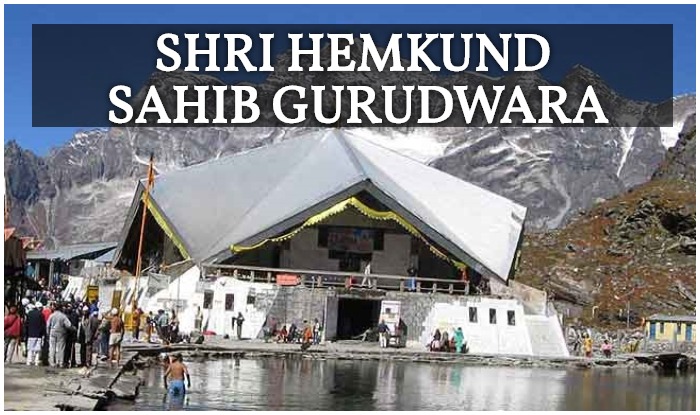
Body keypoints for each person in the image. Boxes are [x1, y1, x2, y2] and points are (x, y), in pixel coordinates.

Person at [46, 303, 74, 368]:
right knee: (61, 348)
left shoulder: (51, 315)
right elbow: (68, 325)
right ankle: (60, 362)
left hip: (52, 332)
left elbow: (48, 325)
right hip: (61, 333)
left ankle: (52, 362)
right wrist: (73, 329)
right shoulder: (63, 316)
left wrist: (48, 333)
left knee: (52, 348)